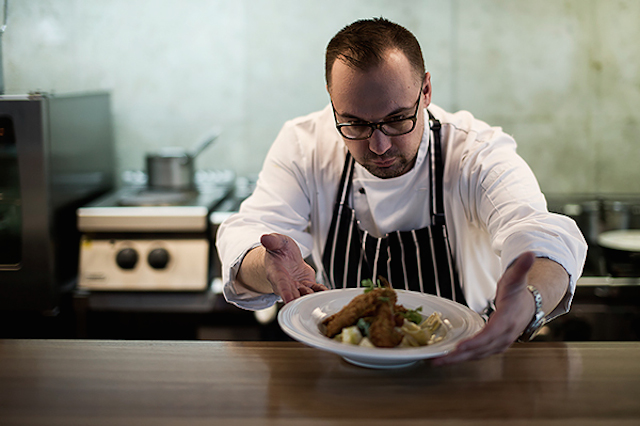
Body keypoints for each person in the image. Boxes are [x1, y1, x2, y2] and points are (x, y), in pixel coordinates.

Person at [216, 18, 587, 364]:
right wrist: (266, 265)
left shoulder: (475, 152)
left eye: (396, 120)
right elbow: (250, 232)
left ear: (425, 90)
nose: (378, 146)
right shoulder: (304, 145)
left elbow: (541, 234)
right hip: (345, 370)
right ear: (332, 102)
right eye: (355, 124)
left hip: (463, 366)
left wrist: (529, 301)